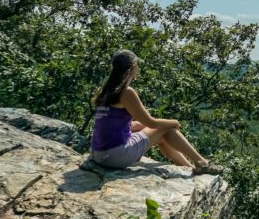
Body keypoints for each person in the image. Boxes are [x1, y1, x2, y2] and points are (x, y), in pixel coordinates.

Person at [89, 50, 223, 175]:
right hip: (114, 156)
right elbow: (151, 123)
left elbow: (114, 124)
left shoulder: (105, 90)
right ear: (132, 68)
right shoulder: (126, 92)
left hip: (99, 154)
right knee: (166, 129)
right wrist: (173, 122)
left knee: (157, 134)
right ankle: (202, 163)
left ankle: (188, 167)